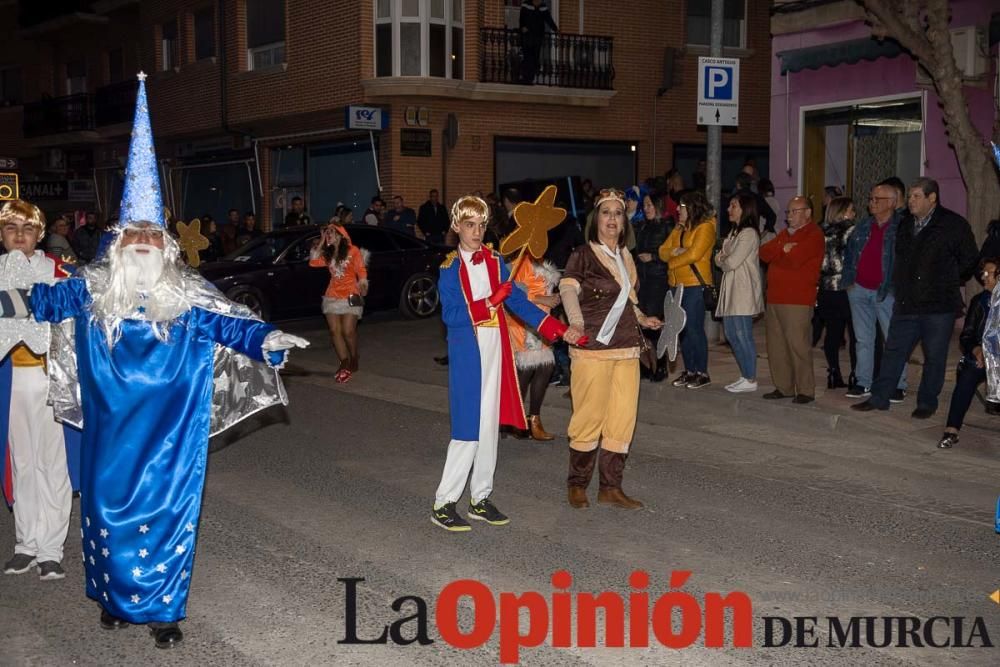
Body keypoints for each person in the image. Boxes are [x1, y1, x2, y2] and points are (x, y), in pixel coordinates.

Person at [0, 73, 309, 649]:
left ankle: (164, 609)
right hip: (110, 425)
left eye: (151, 236)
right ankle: (115, 601)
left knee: (167, 516)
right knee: (106, 514)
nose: (142, 243)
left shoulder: (184, 294)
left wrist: (267, 340)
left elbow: (225, 324)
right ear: (119, 245)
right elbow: (40, 300)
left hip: (170, 431)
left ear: (163, 247)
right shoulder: (91, 287)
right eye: (133, 236)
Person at [431, 195, 567, 532]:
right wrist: (489, 301)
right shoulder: (449, 269)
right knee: (466, 431)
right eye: (469, 226)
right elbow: (451, 316)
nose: (476, 232)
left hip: (497, 353)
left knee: (490, 428)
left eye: (481, 225)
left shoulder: (494, 262)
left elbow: (518, 302)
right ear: (456, 227)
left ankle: (480, 497)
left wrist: (556, 328)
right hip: (468, 355)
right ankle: (444, 503)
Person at [560, 188, 662, 510]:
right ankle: (577, 484)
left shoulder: (626, 256)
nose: (612, 219)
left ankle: (610, 487)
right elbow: (567, 289)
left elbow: (628, 301)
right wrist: (575, 323)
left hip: (627, 348)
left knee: (622, 419)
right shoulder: (583, 254)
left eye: (618, 214)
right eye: (606, 213)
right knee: (589, 417)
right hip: (592, 347)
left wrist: (645, 320)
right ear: (596, 219)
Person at [0, 200, 80, 582]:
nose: (19, 235)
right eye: (11, 228)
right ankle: (25, 544)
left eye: (27, 229)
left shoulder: (60, 273)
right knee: (22, 463)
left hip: (51, 380)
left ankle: (50, 548)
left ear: (40, 235)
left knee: (53, 464)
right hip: (10, 381)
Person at [853, 177, 979, 418]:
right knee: (894, 350)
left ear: (932, 198)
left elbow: (969, 260)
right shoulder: (904, 224)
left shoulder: (953, 224)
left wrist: (947, 278)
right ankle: (880, 398)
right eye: (909, 196)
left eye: (916, 196)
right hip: (907, 302)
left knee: (933, 356)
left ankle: (926, 402)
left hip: (939, 305)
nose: (910, 201)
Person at [759, 195, 825, 403]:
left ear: (807, 213)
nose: (789, 216)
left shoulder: (813, 234)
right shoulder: (784, 235)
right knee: (776, 346)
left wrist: (781, 252)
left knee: (798, 345)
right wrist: (782, 249)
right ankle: (784, 387)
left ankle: (805, 390)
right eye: (788, 212)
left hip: (797, 299)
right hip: (775, 297)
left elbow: (795, 260)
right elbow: (763, 253)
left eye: (794, 211)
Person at [938, 258, 998, 448]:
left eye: (989, 274)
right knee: (969, 372)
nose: (984, 277)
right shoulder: (980, 301)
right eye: (983, 273)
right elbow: (967, 335)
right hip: (983, 356)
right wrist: (977, 349)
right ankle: (952, 429)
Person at [659, 190, 717, 389]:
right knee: (680, 329)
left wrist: (672, 261)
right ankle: (689, 370)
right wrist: (675, 253)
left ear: (692, 207)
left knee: (694, 328)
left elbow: (694, 254)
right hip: (676, 284)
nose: (677, 209)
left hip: (694, 285)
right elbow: (662, 251)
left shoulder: (706, 227)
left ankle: (702, 372)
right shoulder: (680, 228)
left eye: (681, 206)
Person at [505, 252, 562, 440]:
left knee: (545, 367)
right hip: (523, 322)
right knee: (526, 371)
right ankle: (517, 421)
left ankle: (533, 420)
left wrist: (554, 298)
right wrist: (543, 299)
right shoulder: (519, 263)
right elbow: (512, 293)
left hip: (541, 321)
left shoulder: (541, 261)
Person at [715, 193, 763, 393]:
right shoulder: (735, 232)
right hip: (731, 290)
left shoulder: (749, 233)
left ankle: (750, 377)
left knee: (743, 334)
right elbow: (719, 258)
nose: (729, 209)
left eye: (733, 206)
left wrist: (724, 258)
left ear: (745, 209)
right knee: (731, 334)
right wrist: (724, 258)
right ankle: (744, 375)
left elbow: (731, 261)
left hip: (743, 291)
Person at [309, 221, 368, 383]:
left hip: (351, 294)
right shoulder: (327, 253)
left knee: (348, 331)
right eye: (327, 232)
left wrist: (363, 284)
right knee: (335, 331)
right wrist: (322, 240)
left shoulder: (353, 250)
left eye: (332, 232)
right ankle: (344, 361)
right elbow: (313, 262)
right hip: (332, 295)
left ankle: (354, 355)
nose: (329, 234)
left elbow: (361, 270)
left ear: (341, 235)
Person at [817, 196, 858, 390]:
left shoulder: (821, 232)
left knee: (833, 333)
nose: (854, 213)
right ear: (842, 212)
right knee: (855, 334)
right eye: (851, 210)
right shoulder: (852, 230)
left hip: (826, 288)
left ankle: (834, 372)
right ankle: (856, 374)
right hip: (846, 287)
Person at [634, 191, 671, 382]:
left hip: (658, 280)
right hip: (643, 279)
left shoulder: (666, 226)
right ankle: (647, 364)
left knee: (656, 324)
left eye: (650, 205)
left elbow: (671, 255)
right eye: (645, 205)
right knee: (642, 324)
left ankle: (661, 365)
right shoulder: (641, 227)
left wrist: (653, 258)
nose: (647, 208)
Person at [518, 0, 558, 84]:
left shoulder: (543, 7)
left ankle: (530, 78)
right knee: (527, 57)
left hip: (537, 37)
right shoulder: (526, 4)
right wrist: (522, 27)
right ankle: (526, 78)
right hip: (527, 36)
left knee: (535, 58)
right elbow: (521, 17)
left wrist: (556, 29)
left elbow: (548, 19)